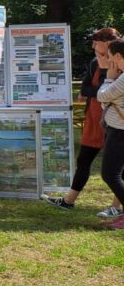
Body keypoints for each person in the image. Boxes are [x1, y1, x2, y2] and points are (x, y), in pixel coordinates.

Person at [44, 27, 122, 216]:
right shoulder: (95, 61)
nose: (94, 46)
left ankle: (116, 207)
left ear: (108, 43)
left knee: (115, 170)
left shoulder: (119, 65)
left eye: (96, 42)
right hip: (95, 118)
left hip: (116, 122)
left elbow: (106, 93)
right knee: (85, 159)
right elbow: (86, 89)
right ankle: (69, 200)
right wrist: (102, 89)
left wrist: (105, 80)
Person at [97, 39, 124, 230]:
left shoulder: (122, 78)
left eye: (109, 56)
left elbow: (102, 96)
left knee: (110, 173)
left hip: (120, 132)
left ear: (118, 56)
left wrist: (108, 77)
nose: (108, 60)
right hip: (118, 129)